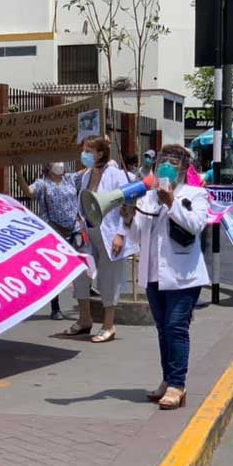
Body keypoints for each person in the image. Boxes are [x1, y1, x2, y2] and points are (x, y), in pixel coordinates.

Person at [120, 145, 210, 409]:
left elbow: (195, 225)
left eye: (174, 161)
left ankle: (177, 384)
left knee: (176, 327)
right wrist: (127, 218)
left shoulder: (196, 194)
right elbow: (138, 237)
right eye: (163, 160)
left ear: (183, 167)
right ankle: (167, 379)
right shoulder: (148, 197)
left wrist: (171, 202)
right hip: (154, 274)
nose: (167, 165)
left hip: (184, 276)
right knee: (163, 329)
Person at [66, 137, 136, 343]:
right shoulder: (86, 175)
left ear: (100, 153)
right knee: (80, 272)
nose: (84, 154)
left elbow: (127, 204)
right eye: (84, 150)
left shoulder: (117, 176)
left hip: (110, 234)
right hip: (88, 232)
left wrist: (121, 234)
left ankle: (108, 324)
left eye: (89, 150)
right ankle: (84, 319)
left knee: (108, 279)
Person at [15, 161, 81, 320]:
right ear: (48, 167)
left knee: (78, 266)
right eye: (55, 162)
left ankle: (83, 304)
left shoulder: (70, 179)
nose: (60, 164)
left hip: (74, 228)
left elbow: (89, 172)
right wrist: (18, 173)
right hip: (53, 230)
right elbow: (29, 192)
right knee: (55, 269)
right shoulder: (42, 183)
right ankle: (55, 306)